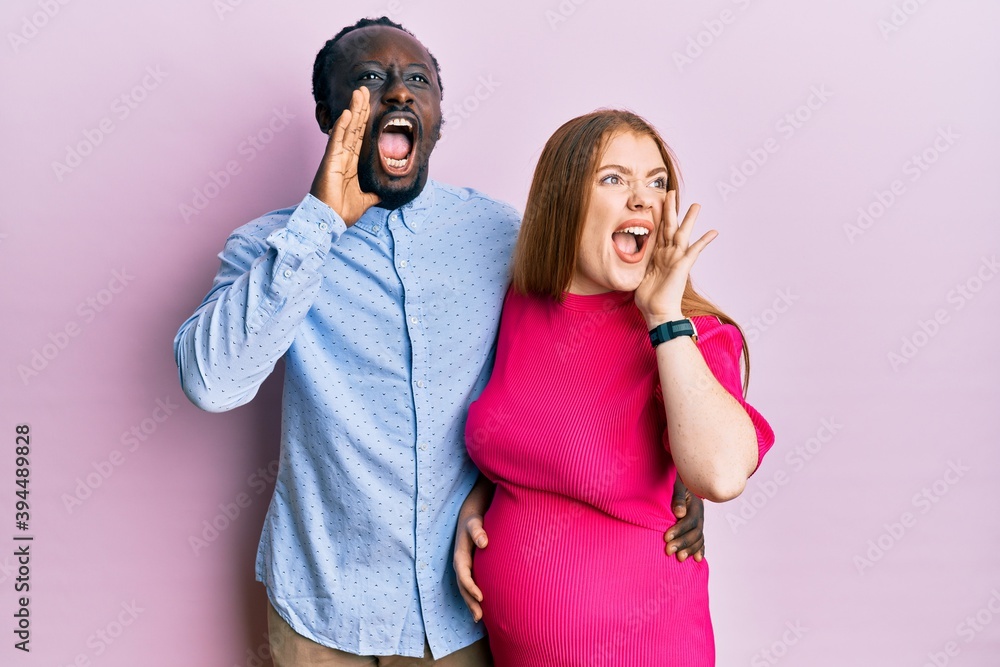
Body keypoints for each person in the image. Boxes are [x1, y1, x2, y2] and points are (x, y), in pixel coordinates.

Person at [174, 17, 705, 666]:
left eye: (416, 80)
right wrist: (319, 222)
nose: (398, 93)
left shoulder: (500, 235)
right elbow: (212, 384)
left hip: (466, 612)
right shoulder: (269, 246)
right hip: (320, 609)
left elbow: (606, 348)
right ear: (328, 112)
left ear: (438, 116)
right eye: (370, 79)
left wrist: (680, 472)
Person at [457, 110, 776, 666]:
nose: (643, 200)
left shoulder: (690, 336)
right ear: (563, 200)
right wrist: (476, 504)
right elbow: (530, 444)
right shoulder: (522, 303)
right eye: (614, 179)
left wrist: (663, 318)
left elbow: (721, 476)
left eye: (657, 182)